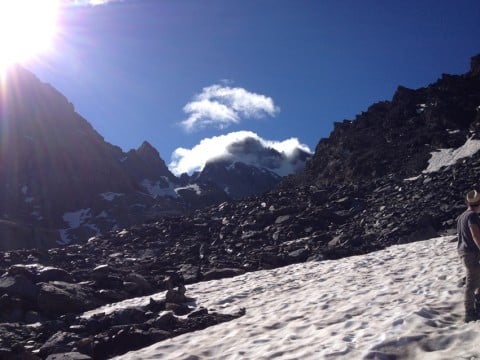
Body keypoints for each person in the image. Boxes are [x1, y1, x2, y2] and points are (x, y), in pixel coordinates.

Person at [457, 189, 480, 322]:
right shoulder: (472, 216)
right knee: (471, 284)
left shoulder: (462, 216)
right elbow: (475, 235)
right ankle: (470, 313)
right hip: (471, 253)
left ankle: (476, 308)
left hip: (464, 252)